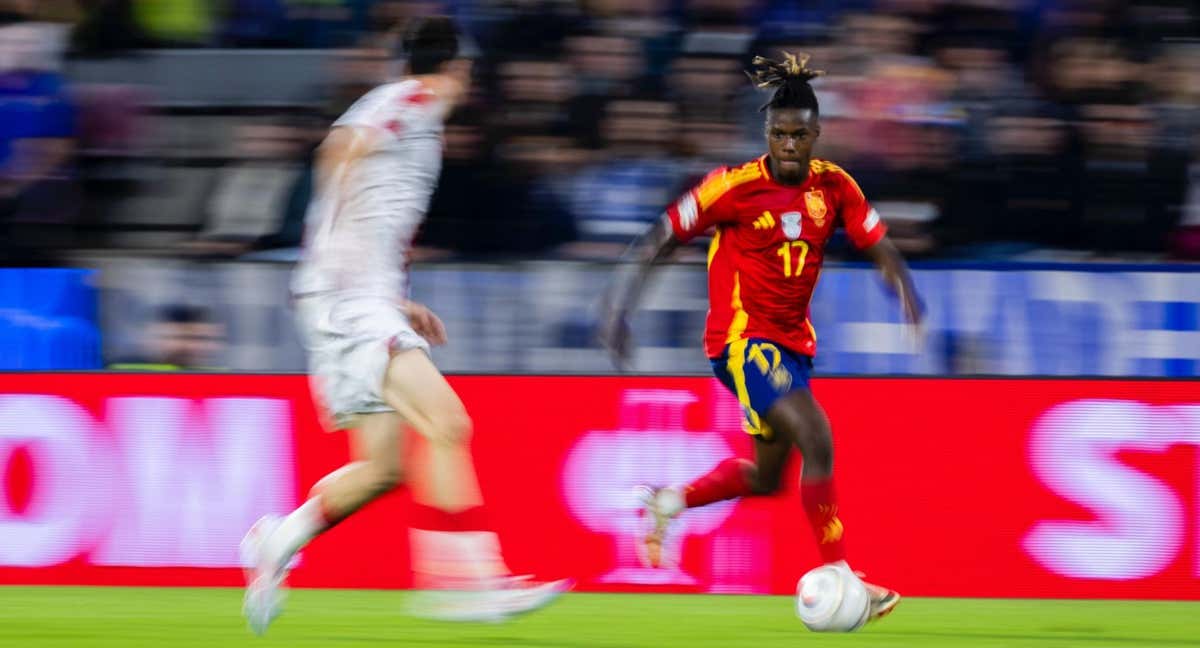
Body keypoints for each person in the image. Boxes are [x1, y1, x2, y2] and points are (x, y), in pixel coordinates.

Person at [240, 16, 569, 635]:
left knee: (384, 468)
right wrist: (332, 250)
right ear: (460, 71)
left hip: (357, 298)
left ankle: (276, 540)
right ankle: (468, 580)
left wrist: (394, 297)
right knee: (449, 423)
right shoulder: (412, 100)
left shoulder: (417, 124)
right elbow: (341, 148)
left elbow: (376, 207)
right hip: (346, 297)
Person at [600, 52, 923, 621]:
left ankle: (667, 504)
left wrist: (905, 291)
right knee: (817, 435)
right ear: (767, 134)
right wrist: (620, 306)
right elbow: (663, 237)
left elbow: (877, 244)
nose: (789, 145)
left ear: (817, 134)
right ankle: (845, 575)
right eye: (779, 134)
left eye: (800, 135)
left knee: (767, 478)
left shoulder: (836, 186)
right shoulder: (733, 187)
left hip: (793, 345)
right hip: (743, 342)